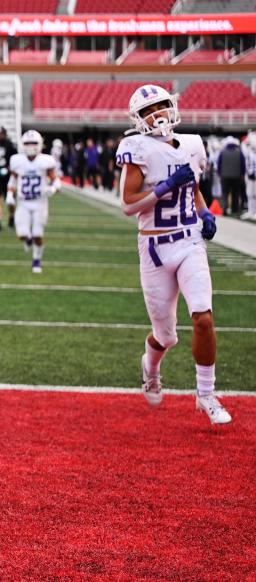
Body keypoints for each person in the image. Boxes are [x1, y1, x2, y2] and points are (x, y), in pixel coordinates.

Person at [116, 84, 230, 425]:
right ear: (138, 119)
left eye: (162, 106)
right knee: (165, 335)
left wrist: (205, 212)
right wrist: (165, 187)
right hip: (154, 247)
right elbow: (127, 205)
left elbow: (192, 187)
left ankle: (206, 394)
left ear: (173, 107)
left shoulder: (193, 144)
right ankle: (150, 367)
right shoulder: (136, 147)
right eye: (149, 110)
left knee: (204, 318)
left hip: (189, 242)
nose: (157, 114)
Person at [6, 130, 59, 274]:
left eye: (33, 143)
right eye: (27, 143)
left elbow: (56, 181)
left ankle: (36, 260)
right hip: (23, 202)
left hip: (40, 202)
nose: (30, 146)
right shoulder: (17, 160)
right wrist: (10, 194)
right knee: (22, 234)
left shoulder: (46, 161)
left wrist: (53, 188)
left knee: (38, 234)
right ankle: (27, 240)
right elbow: (13, 179)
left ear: (40, 144)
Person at [216, 136, 247, 216]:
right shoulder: (239, 152)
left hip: (224, 176)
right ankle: (234, 209)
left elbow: (218, 164)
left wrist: (219, 174)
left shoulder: (222, 152)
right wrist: (242, 174)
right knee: (235, 193)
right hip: (236, 176)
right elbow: (243, 165)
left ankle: (225, 208)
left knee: (225, 193)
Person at [244, 131, 256, 220]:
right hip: (250, 176)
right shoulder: (249, 152)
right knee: (249, 193)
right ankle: (250, 210)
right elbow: (247, 164)